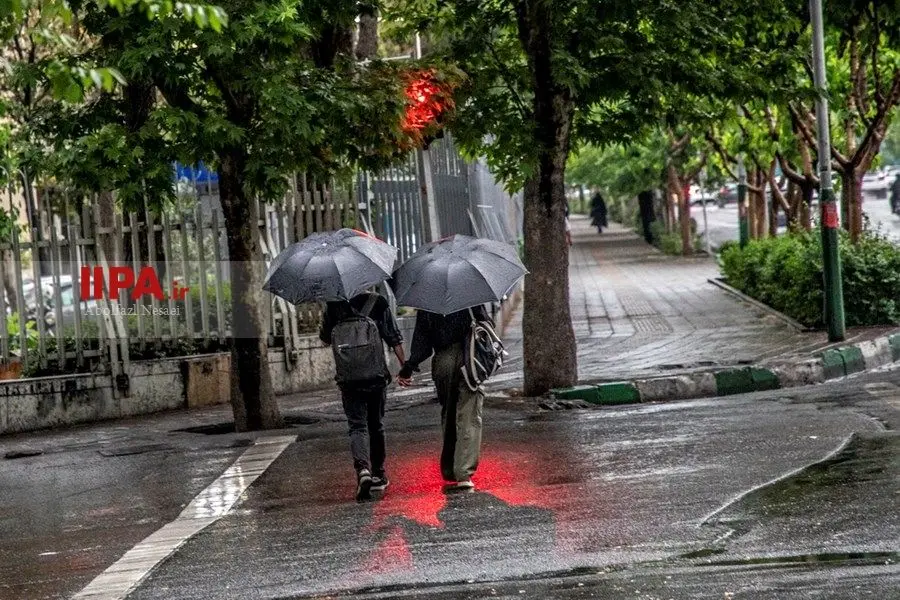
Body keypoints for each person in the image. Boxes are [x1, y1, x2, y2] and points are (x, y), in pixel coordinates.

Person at [320, 291, 405, 502]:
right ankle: (378, 473)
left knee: (357, 426)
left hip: (349, 379)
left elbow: (324, 339)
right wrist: (405, 367)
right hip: (376, 376)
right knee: (376, 425)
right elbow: (393, 337)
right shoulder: (378, 302)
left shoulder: (333, 304)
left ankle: (363, 471)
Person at [396, 305, 492, 491]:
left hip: (443, 361)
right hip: (469, 358)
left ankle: (449, 468)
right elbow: (486, 325)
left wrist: (408, 368)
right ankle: (464, 473)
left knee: (449, 413)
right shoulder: (470, 297)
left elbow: (422, 345)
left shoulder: (428, 304)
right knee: (470, 415)